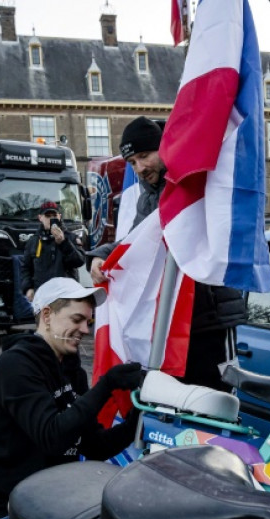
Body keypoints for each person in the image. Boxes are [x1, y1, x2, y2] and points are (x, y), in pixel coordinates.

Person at [0, 277, 144, 519]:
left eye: (88, 322)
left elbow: (94, 446)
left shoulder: (72, 371)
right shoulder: (15, 365)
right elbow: (52, 436)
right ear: (47, 315)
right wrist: (106, 386)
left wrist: (137, 419)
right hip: (6, 513)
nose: (85, 330)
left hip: (53, 504)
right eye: (77, 319)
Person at [87, 116, 247, 392]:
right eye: (132, 162)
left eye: (144, 156)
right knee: (179, 399)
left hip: (209, 314)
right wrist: (101, 256)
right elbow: (134, 241)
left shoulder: (195, 178)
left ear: (164, 147)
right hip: (170, 319)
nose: (139, 168)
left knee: (216, 397)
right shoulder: (147, 197)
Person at [19, 201, 85, 303]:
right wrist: (28, 288)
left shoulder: (71, 237)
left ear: (59, 216)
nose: (51, 219)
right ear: (40, 218)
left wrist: (63, 243)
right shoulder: (33, 241)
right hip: (42, 295)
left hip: (66, 294)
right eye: (48, 216)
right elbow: (26, 268)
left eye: (54, 215)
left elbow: (79, 261)